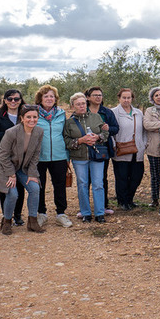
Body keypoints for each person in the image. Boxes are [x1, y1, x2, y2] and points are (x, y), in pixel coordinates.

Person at [0, 105, 44, 234]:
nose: (32, 120)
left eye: (35, 117)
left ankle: (32, 222)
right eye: (28, 117)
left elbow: (36, 155)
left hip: (21, 165)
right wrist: (11, 174)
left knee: (35, 188)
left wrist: (32, 173)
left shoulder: (39, 132)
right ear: (22, 118)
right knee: (13, 193)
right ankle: (7, 222)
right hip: (3, 165)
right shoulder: (11, 132)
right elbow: (2, 155)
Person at [63, 92, 111, 223]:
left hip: (96, 156)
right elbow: (66, 141)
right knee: (82, 184)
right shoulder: (69, 123)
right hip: (79, 157)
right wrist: (80, 140)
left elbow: (105, 133)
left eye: (83, 103)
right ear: (73, 106)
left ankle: (100, 213)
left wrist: (98, 137)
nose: (81, 106)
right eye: (78, 104)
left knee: (98, 184)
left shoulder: (96, 117)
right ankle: (85, 213)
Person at [34, 84, 73, 228]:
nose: (49, 98)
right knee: (39, 186)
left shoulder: (61, 114)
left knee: (60, 185)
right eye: (46, 96)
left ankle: (61, 214)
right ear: (40, 98)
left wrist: (67, 155)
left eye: (52, 96)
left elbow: (65, 134)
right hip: (39, 157)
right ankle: (41, 214)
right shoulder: (34, 113)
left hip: (59, 156)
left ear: (55, 99)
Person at [0, 89, 27, 225]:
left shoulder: (25, 115)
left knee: (20, 186)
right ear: (5, 100)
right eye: (10, 99)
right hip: (4, 156)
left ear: (20, 100)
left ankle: (17, 215)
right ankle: (7, 216)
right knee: (6, 186)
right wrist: (10, 136)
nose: (13, 101)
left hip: (22, 155)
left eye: (16, 99)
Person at [111, 88, 147, 210]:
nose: (126, 100)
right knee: (122, 177)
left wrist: (143, 144)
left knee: (136, 176)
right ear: (119, 98)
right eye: (124, 97)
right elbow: (110, 132)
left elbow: (144, 131)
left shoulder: (138, 112)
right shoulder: (114, 112)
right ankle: (122, 201)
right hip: (121, 150)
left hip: (137, 150)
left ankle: (130, 199)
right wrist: (113, 145)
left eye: (129, 97)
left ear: (132, 98)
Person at [86, 86, 119, 215]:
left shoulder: (107, 112)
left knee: (102, 178)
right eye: (95, 95)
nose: (98, 97)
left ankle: (103, 205)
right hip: (85, 149)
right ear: (88, 97)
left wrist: (108, 128)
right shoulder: (82, 110)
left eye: (100, 95)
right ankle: (86, 207)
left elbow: (116, 128)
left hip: (103, 150)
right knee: (86, 179)